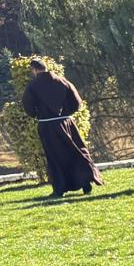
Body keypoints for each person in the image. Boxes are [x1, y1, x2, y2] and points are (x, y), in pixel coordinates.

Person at [22, 59, 101, 198]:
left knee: (55, 157)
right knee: (75, 151)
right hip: (67, 123)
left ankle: (59, 189)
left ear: (34, 69)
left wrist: (38, 114)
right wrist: (65, 114)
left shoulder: (32, 86)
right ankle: (85, 181)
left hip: (47, 126)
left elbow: (28, 107)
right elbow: (77, 102)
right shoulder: (63, 81)